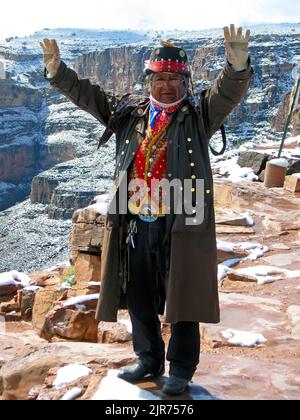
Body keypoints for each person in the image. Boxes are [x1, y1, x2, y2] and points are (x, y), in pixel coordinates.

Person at [40, 24, 253, 396]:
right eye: (159, 78)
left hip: (182, 221)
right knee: (138, 292)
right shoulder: (129, 113)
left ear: (185, 83)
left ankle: (182, 369)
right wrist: (59, 72)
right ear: (147, 81)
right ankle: (148, 358)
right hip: (137, 222)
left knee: (182, 294)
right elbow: (89, 97)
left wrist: (236, 67)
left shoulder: (198, 114)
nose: (166, 85)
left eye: (174, 78)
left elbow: (226, 94)